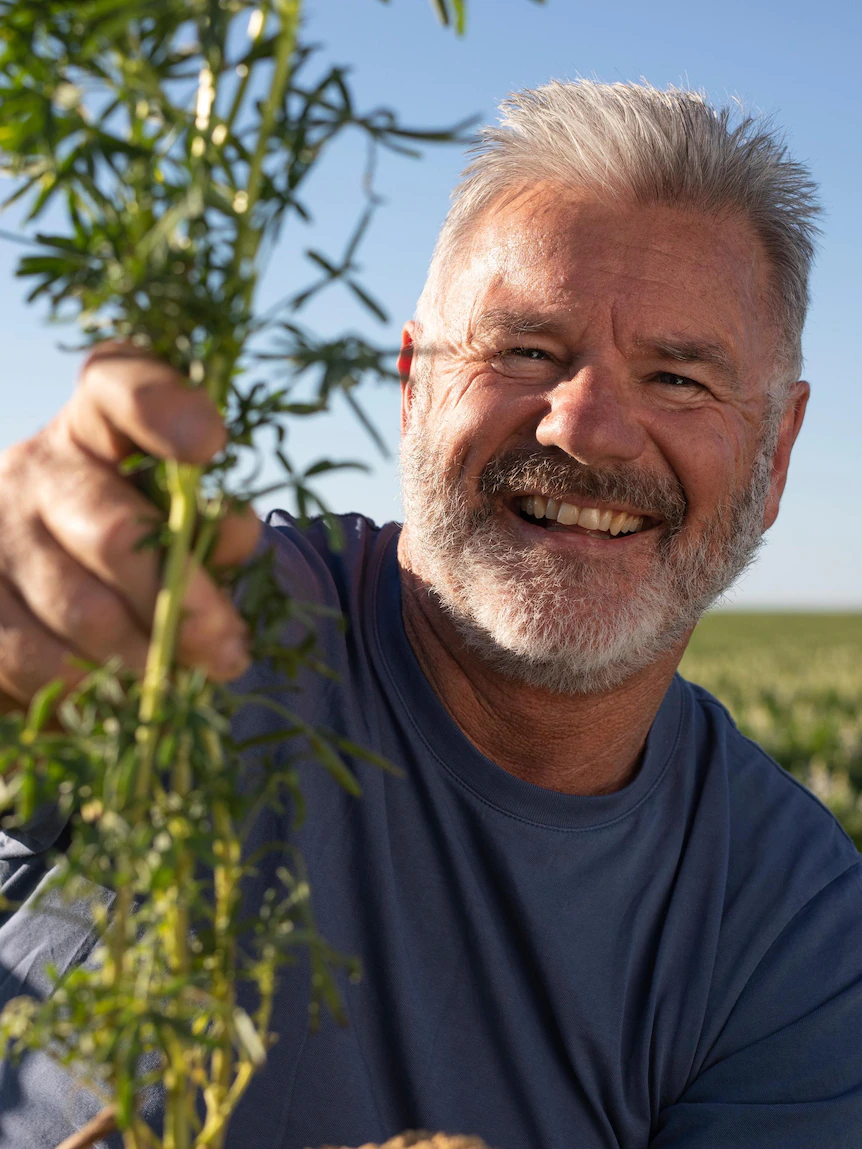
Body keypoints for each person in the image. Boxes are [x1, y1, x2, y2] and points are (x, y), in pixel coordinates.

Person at [0, 80, 860, 1149]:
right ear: (413, 386)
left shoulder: (794, 925)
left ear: (775, 454)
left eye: (679, 377)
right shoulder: (191, 627)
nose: (588, 429)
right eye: (528, 352)